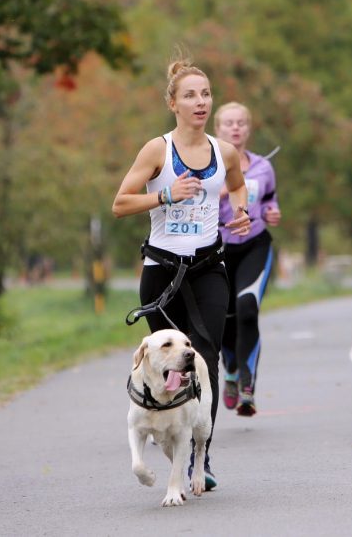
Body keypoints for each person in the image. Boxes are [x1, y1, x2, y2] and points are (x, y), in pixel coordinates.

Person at [113, 56, 250, 492]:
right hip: (162, 273)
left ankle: (201, 458)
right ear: (173, 103)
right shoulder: (158, 150)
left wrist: (241, 210)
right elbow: (120, 203)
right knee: (169, 362)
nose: (200, 102)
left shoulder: (223, 150)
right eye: (190, 95)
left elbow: (236, 181)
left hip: (208, 269)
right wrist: (166, 195)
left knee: (203, 358)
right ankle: (169, 437)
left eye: (206, 94)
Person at [213, 102, 281, 417]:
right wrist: (222, 193)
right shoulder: (208, 166)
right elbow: (191, 201)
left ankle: (247, 382)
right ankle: (229, 370)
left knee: (246, 307)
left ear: (249, 129)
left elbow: (269, 200)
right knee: (225, 317)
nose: (236, 128)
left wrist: (272, 212)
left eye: (241, 122)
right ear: (218, 128)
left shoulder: (263, 167)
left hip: (255, 244)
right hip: (218, 248)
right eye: (229, 123)